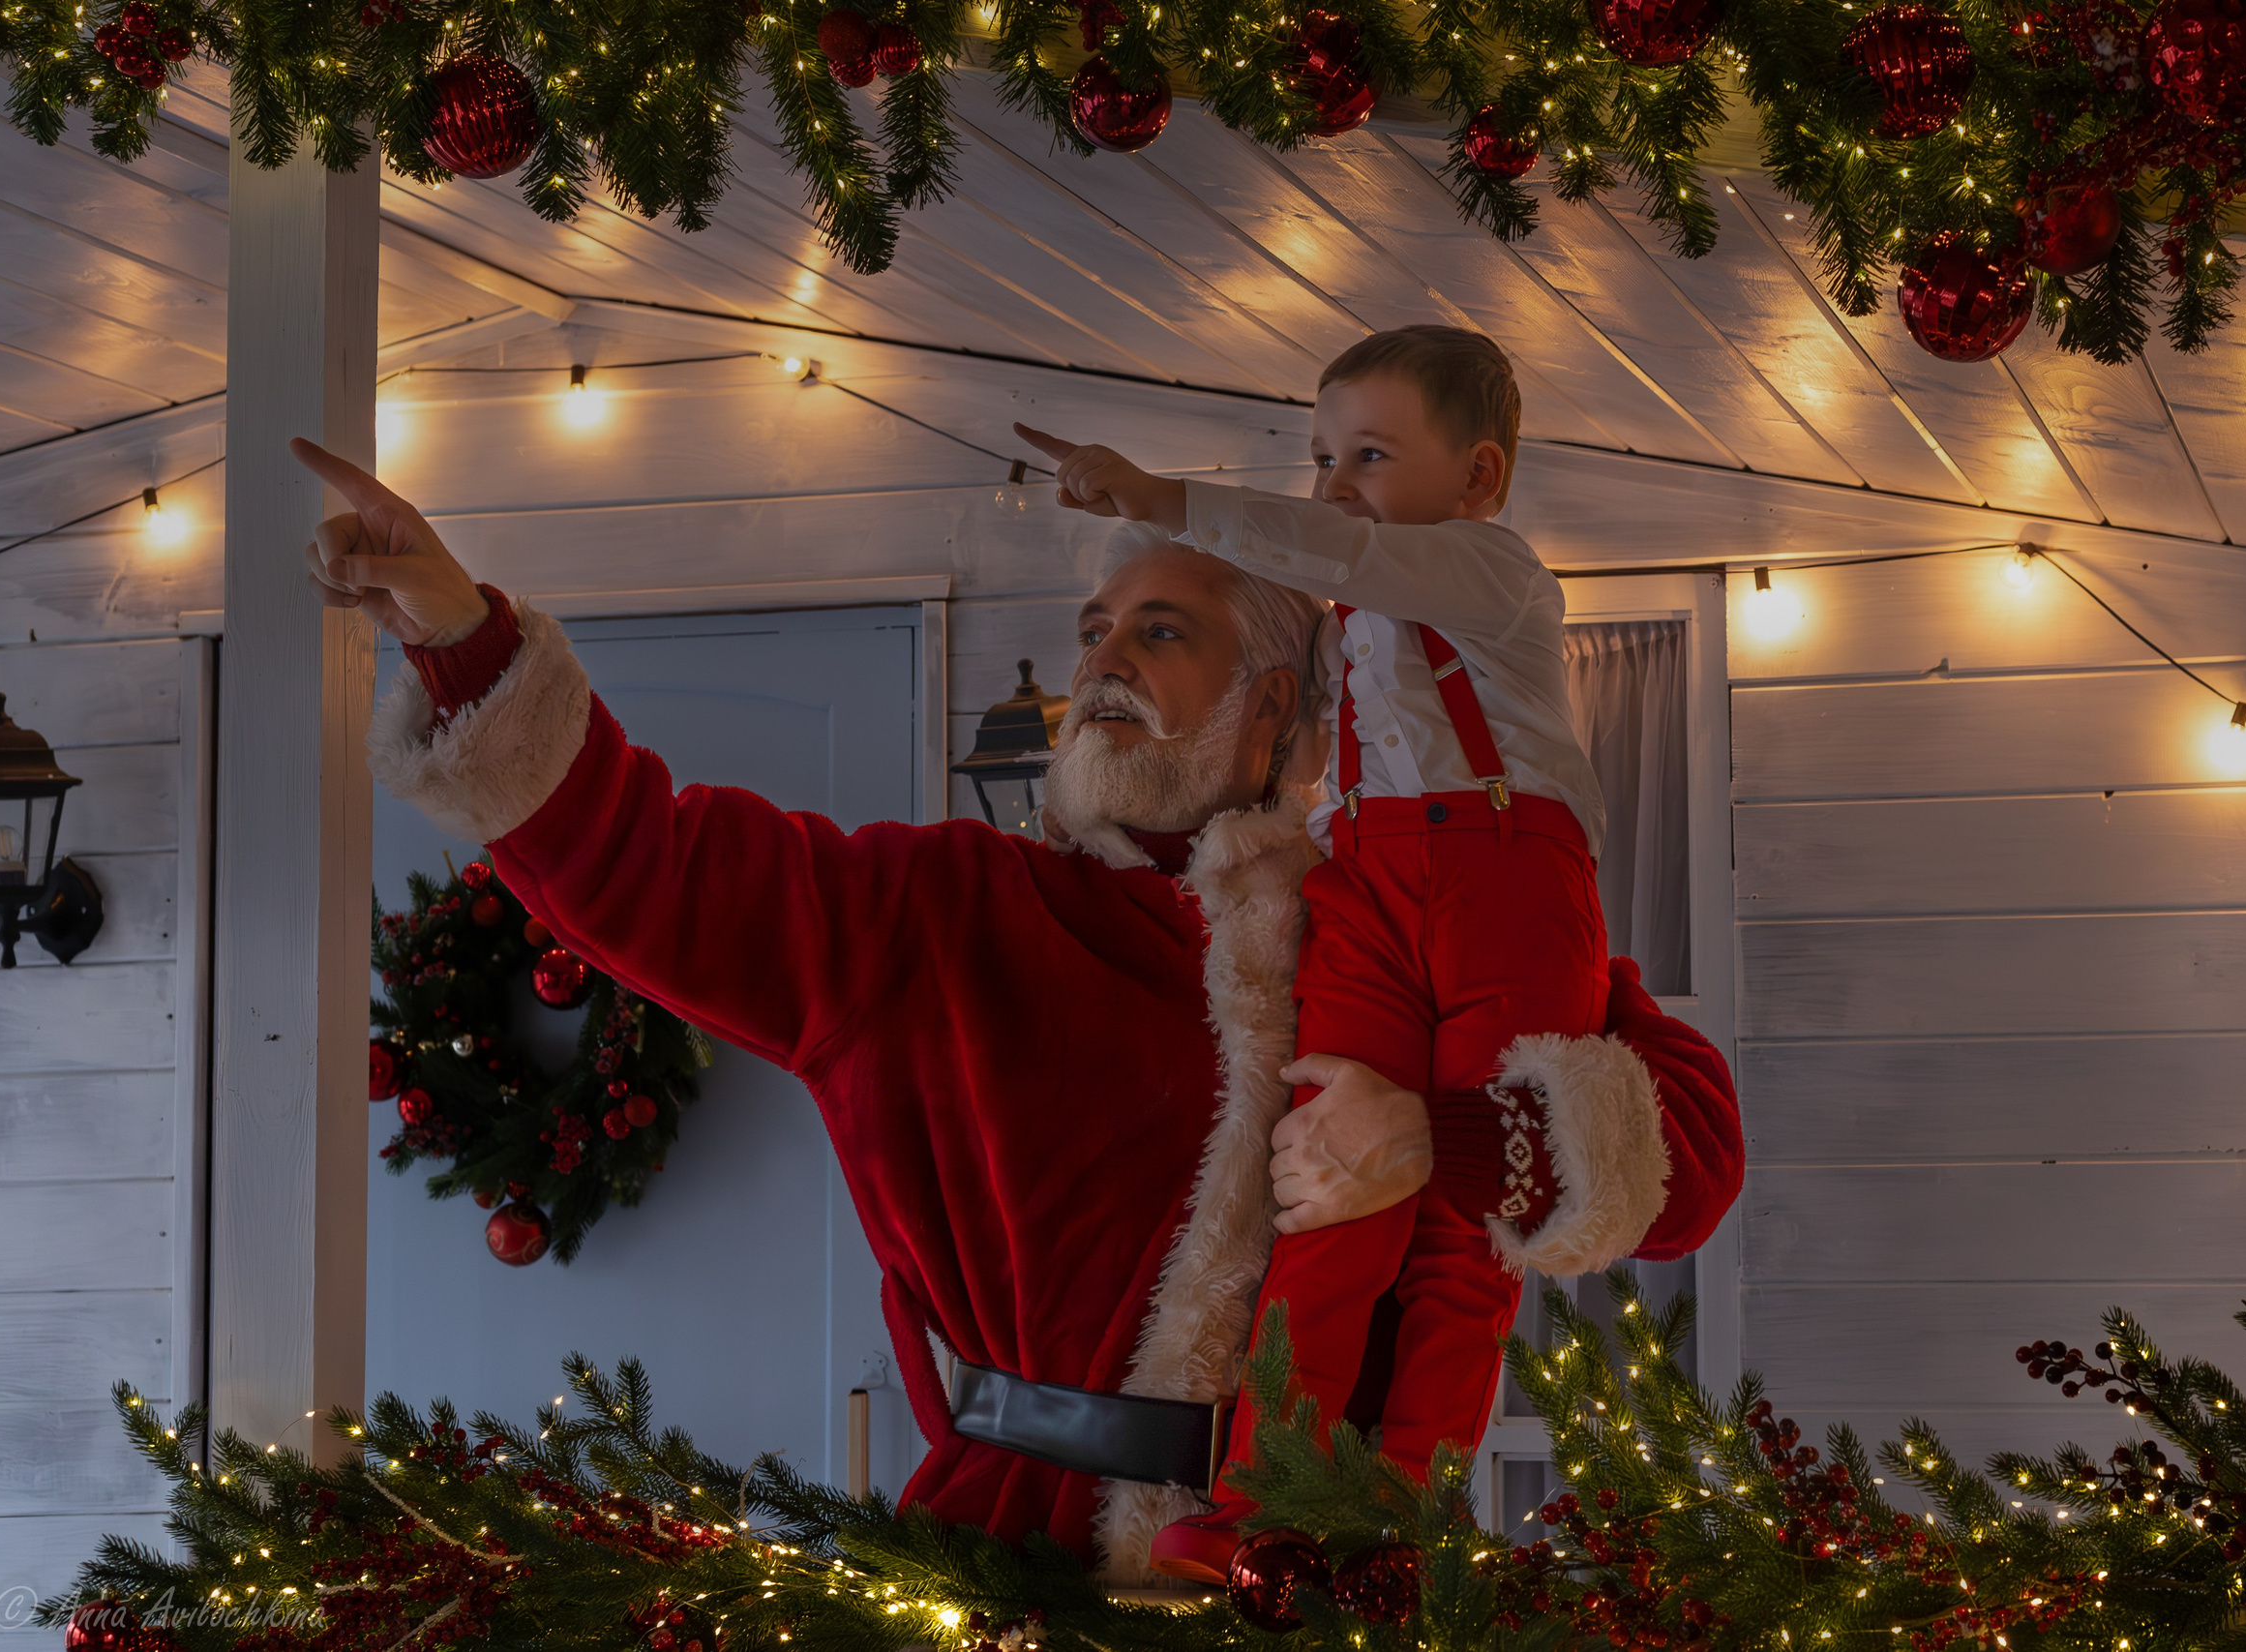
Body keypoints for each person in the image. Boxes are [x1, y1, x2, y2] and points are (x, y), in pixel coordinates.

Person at [294, 434, 1742, 1585]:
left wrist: (1439, 1140)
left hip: (1330, 1580)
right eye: (1097, 626)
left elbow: (1688, 1168)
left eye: (1164, 633)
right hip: (1001, 1562)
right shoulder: (941, 913)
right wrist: (454, 627)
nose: (1102, 660)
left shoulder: (1415, 917)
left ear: (1285, 718)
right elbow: (650, 864)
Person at [1016, 325, 1622, 1583]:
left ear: (1479, 478)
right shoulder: (1346, 635)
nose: (1336, 482)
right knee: (1322, 1191)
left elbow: (1340, 551)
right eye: (1321, 455)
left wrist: (1165, 498)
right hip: (1373, 885)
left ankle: (1404, 1521)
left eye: (1370, 454)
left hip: (1508, 881)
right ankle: (1261, 1504)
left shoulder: (1493, 575)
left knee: (1465, 1226)